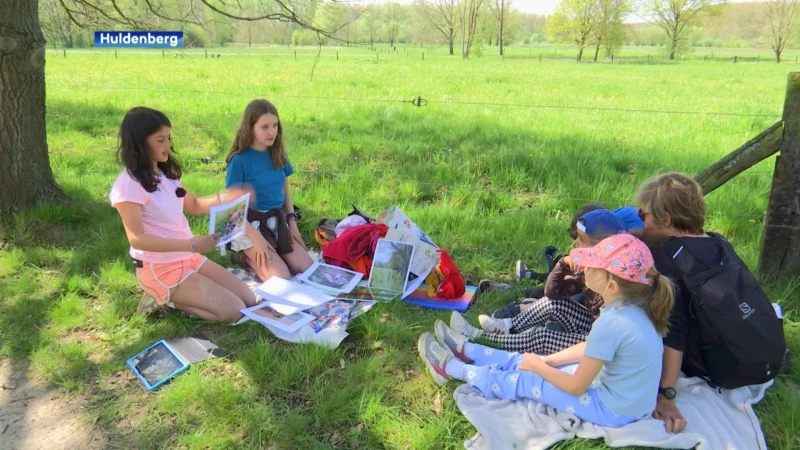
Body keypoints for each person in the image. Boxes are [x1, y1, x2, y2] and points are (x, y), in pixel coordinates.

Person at [418, 233, 675, 427]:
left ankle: (452, 369)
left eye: (594, 266)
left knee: (529, 379)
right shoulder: (638, 307)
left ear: (612, 286)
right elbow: (592, 349)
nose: (585, 268)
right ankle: (469, 350)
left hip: (613, 410)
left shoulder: (611, 323)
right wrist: (547, 360)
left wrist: (540, 368)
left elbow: (576, 387)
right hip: (631, 403)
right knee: (537, 362)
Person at [109, 107, 259, 323]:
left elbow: (195, 205)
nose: (168, 145)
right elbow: (137, 239)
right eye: (160, 140)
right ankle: (165, 297)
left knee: (249, 299)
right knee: (234, 311)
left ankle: (180, 294)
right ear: (140, 143)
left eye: (168, 138)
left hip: (187, 258)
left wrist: (228, 197)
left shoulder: (164, 173)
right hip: (160, 267)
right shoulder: (128, 186)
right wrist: (191, 244)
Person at [450, 209, 628, 355]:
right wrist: (563, 264)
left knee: (543, 337)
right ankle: (507, 328)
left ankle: (479, 339)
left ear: (599, 247)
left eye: (580, 241)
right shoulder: (597, 267)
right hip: (594, 329)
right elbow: (552, 294)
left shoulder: (610, 279)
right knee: (554, 304)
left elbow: (606, 335)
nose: (575, 244)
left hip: (601, 346)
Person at [225, 99, 314, 281]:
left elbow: (285, 189)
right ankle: (244, 255)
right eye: (264, 127)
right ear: (250, 128)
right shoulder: (239, 160)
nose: (271, 131)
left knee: (307, 268)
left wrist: (292, 223)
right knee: (280, 278)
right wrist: (255, 239)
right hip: (248, 224)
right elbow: (233, 207)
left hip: (277, 220)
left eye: (274, 125)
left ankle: (274, 252)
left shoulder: (278, 153)